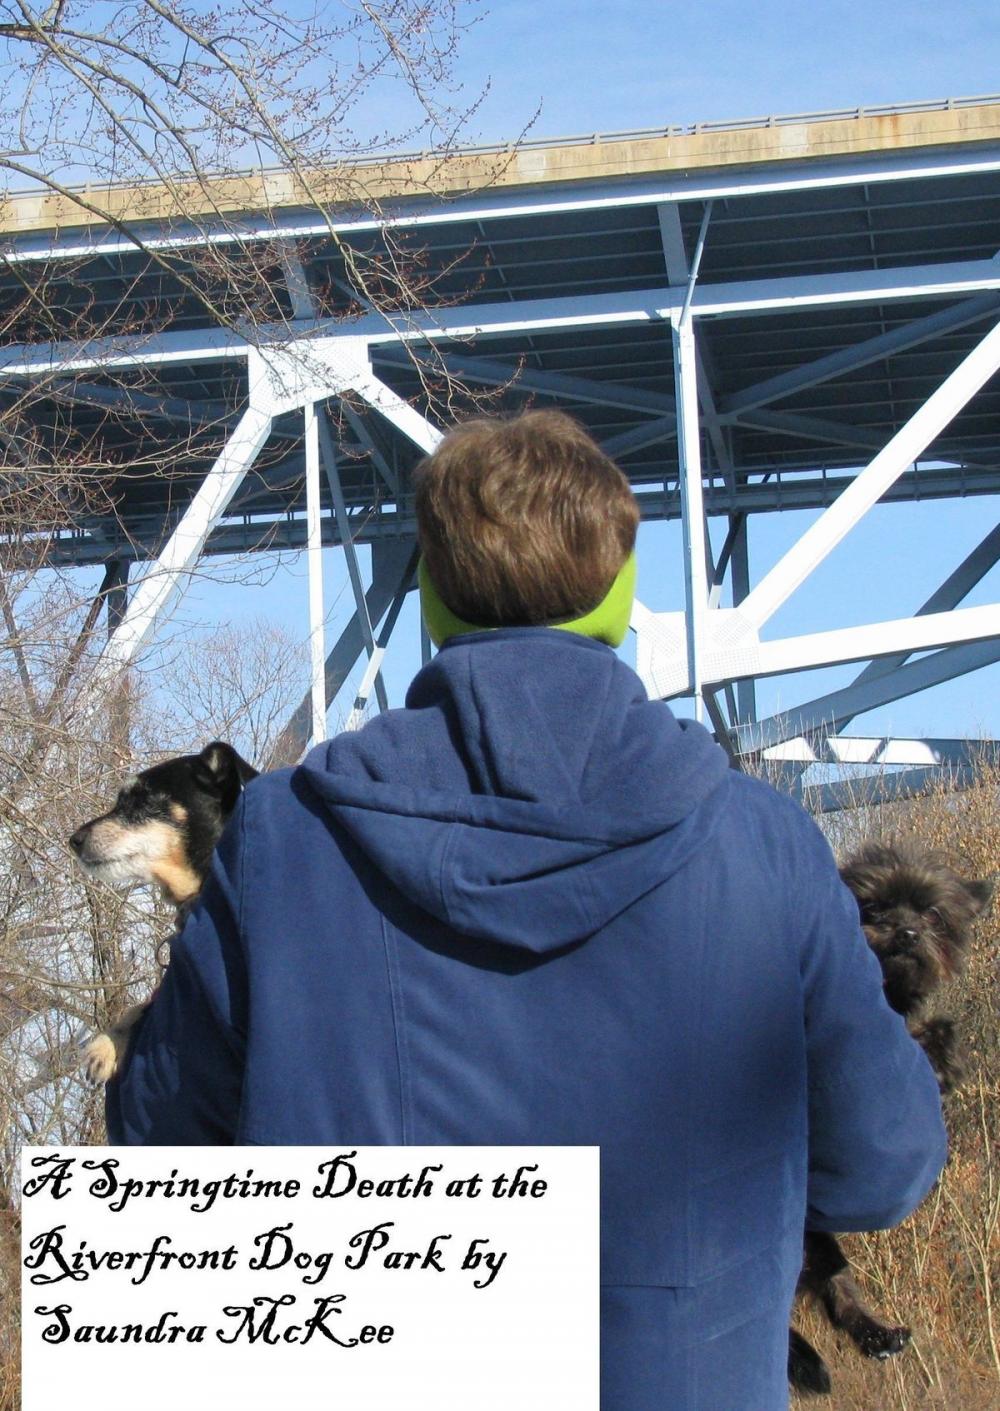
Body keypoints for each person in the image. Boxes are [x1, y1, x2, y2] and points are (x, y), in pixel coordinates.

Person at [108, 409, 946, 1410]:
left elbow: (161, 1140)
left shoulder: (281, 842)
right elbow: (883, 1167)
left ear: (431, 595)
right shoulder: (764, 846)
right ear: (618, 594)